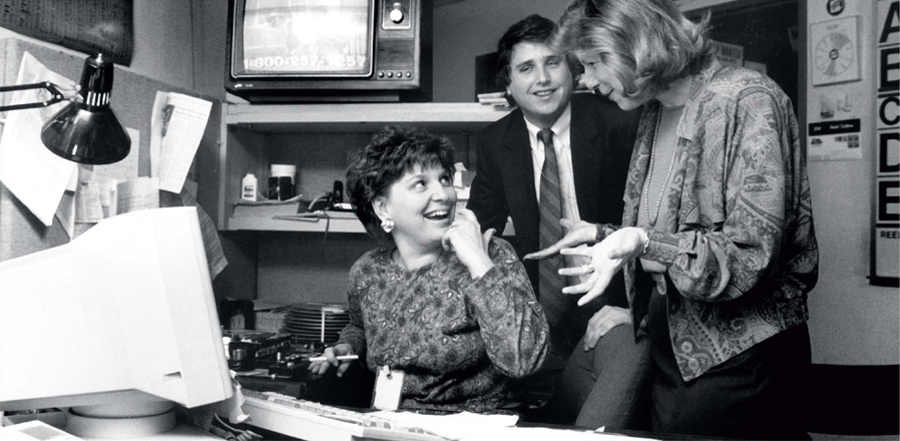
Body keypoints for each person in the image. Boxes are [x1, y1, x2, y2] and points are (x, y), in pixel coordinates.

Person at [531, 0, 819, 438]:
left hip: (740, 360)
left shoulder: (746, 99)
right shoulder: (654, 111)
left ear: (635, 46)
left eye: (591, 63)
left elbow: (747, 258)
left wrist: (641, 241)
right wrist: (608, 235)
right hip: (674, 349)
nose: (585, 81)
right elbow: (675, 234)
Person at [466, 14, 646, 429]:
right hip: (537, 317)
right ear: (507, 85)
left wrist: (635, 309)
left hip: (613, 305)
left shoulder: (619, 122)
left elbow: (646, 224)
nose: (543, 79)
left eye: (553, 63)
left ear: (573, 69)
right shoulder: (496, 142)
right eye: (526, 68)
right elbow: (481, 229)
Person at [309, 126, 550, 414]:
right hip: (389, 426)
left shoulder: (492, 254)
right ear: (383, 208)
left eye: (444, 179)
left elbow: (524, 360)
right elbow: (361, 327)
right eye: (421, 184)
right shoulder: (367, 271)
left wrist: (477, 260)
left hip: (474, 429)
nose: (444, 194)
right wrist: (347, 349)